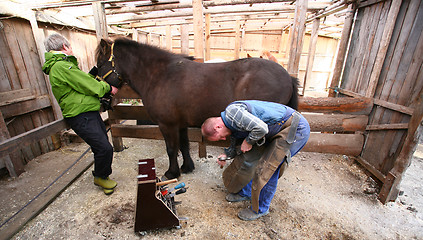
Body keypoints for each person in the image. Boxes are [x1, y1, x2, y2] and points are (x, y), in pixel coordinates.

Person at [201, 100, 310, 220]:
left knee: (268, 169)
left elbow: (261, 128)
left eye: (221, 136)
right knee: (250, 158)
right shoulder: (230, 122)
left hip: (294, 128)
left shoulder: (233, 113)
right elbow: (234, 146)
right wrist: (225, 155)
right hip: (275, 129)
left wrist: (248, 141)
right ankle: (246, 193)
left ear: (217, 126)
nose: (223, 138)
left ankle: (260, 209)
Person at [42, 33, 118, 195]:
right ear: (64, 47)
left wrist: (91, 75)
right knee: (104, 147)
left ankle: (101, 174)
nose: (71, 49)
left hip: (86, 111)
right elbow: (87, 85)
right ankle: (101, 177)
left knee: (101, 144)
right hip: (81, 115)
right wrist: (107, 88)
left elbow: (77, 85)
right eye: (69, 47)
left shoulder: (62, 66)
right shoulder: (62, 66)